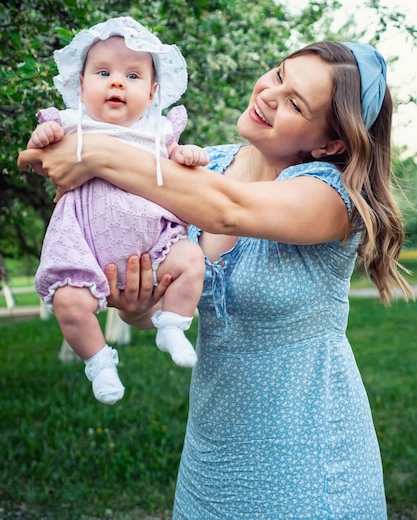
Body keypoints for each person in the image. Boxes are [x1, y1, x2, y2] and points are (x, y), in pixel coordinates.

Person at [19, 40, 413, 518]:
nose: (269, 93)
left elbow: (229, 210)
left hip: (310, 458)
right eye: (279, 74)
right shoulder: (206, 166)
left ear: (329, 143)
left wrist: (92, 148)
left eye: (294, 102)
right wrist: (139, 304)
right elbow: (156, 307)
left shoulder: (332, 199)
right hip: (213, 454)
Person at [26, 16, 208, 405]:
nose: (117, 82)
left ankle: (173, 323)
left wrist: (185, 154)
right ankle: (98, 362)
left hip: (153, 247)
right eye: (104, 72)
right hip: (84, 247)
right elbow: (37, 154)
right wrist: (41, 136)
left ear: (154, 92)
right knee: (68, 303)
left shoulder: (158, 132)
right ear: (81, 84)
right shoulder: (73, 124)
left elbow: (178, 163)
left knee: (191, 257)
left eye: (133, 76)